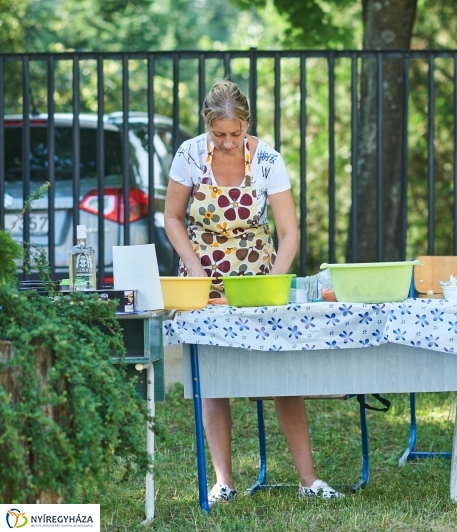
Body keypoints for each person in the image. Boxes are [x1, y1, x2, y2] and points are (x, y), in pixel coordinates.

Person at [165, 79, 343, 504]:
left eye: (235, 134)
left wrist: (274, 287)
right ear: (207, 127)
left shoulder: (268, 160)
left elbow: (289, 233)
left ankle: (308, 481)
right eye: (219, 135)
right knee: (213, 377)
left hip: (256, 279)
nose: (227, 143)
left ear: (247, 126)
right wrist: (193, 268)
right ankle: (224, 483)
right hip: (201, 279)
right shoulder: (188, 155)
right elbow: (172, 217)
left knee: (282, 376)